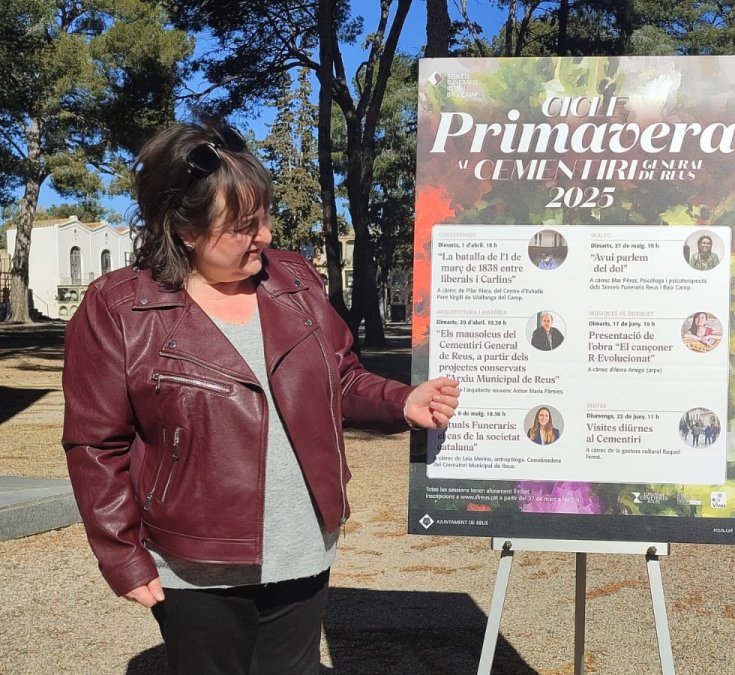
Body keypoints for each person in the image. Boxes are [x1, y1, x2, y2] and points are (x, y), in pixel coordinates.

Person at [61, 122, 460, 675]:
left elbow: (340, 378)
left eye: (265, 217)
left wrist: (402, 400)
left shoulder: (293, 280)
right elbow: (94, 445)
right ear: (184, 228)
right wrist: (122, 554)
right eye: (244, 226)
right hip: (195, 562)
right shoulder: (119, 309)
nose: (266, 236)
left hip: (303, 545)